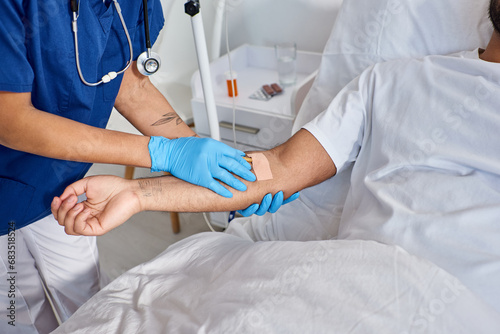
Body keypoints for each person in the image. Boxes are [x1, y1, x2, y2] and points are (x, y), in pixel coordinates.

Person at [53, 0, 500, 315]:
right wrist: (137, 192)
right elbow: (277, 170)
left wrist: (154, 166)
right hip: (354, 279)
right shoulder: (394, 81)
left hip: (469, 302)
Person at [0, 1, 292, 332]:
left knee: (89, 303)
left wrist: (214, 162)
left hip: (60, 187)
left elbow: (124, 76)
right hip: (5, 186)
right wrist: (164, 153)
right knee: (20, 311)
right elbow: (10, 120)